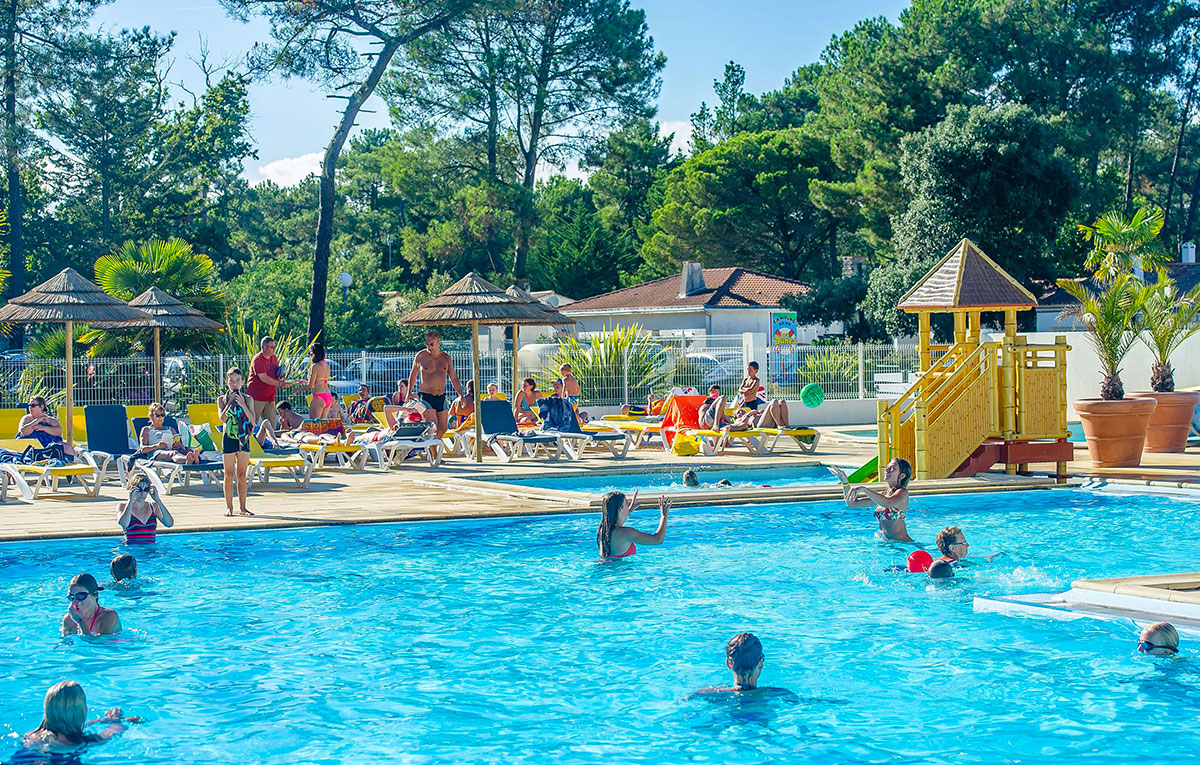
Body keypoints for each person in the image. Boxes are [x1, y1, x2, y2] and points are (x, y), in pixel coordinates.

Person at [22, 681, 139, 750]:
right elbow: (114, 731)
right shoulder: (78, 742)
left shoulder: (32, 735)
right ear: (81, 711)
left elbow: (70, 726)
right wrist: (116, 721)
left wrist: (102, 720)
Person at [688, 633, 796, 698]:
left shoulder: (708, 693)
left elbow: (684, 700)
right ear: (761, 662)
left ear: (728, 664)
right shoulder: (779, 694)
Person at [832, 457, 913, 543]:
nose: (887, 470)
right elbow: (852, 504)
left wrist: (864, 489)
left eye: (892, 468)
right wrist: (845, 483)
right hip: (885, 542)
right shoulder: (884, 494)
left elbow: (887, 502)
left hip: (902, 544)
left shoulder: (902, 493)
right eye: (887, 467)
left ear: (902, 476)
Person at [406, 330, 463, 440]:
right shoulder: (421, 356)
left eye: (431, 344)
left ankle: (431, 448)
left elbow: (453, 378)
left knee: (443, 428)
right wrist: (409, 392)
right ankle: (434, 455)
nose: (429, 347)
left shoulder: (446, 358)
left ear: (438, 343)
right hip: (426, 397)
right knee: (433, 426)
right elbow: (413, 375)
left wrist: (461, 395)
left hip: (441, 397)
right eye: (427, 344)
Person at [217, 367, 256, 517]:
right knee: (228, 474)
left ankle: (243, 507)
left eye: (237, 381)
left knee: (241, 474)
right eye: (231, 381)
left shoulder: (248, 399)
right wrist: (230, 403)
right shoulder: (222, 399)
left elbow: (252, 420)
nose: (234, 384)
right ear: (227, 382)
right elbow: (222, 419)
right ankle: (229, 507)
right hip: (229, 438)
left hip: (243, 438)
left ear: (242, 382)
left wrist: (243, 405)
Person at [596, 490, 670, 559]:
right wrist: (664, 516)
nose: (628, 506)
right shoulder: (627, 533)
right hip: (620, 571)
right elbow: (658, 539)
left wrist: (630, 510)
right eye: (626, 504)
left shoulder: (602, 530)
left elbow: (618, 519)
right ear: (620, 509)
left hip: (606, 569)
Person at [248, 336, 292, 426]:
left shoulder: (274, 358)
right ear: (264, 347)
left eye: (274, 347)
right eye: (272, 347)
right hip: (256, 397)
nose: (274, 349)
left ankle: (269, 440)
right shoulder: (258, 359)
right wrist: (280, 383)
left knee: (271, 425)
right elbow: (263, 377)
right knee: (252, 423)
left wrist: (282, 379)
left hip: (270, 397)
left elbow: (276, 374)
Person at [136, 403, 200, 465]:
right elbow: (142, 449)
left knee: (177, 452)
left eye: (162, 415)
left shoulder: (170, 429)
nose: (160, 417)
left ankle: (192, 459)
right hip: (156, 453)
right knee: (173, 454)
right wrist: (157, 446)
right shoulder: (147, 430)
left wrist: (178, 445)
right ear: (151, 417)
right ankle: (189, 459)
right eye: (157, 415)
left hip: (172, 450)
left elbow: (181, 445)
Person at [117, 474, 174, 544]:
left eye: (146, 489)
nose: (142, 493)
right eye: (139, 490)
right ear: (131, 489)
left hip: (151, 552)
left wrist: (158, 500)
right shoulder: (122, 506)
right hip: (132, 550)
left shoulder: (153, 507)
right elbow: (124, 524)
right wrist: (130, 499)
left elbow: (169, 523)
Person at [933, 526, 1002, 567]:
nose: (967, 545)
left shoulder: (936, 561)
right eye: (963, 543)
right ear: (952, 548)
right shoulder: (956, 564)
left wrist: (989, 557)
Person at [304, 342, 334, 419]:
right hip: (327, 395)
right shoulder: (326, 364)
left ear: (314, 353)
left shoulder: (315, 366)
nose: (310, 355)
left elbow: (310, 385)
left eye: (311, 353)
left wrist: (297, 389)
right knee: (322, 426)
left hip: (318, 397)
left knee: (314, 425)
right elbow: (319, 380)